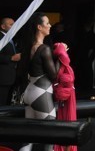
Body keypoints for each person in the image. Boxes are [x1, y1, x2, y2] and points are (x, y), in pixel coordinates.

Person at [19, 12, 57, 151]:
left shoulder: (28, 47)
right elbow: (54, 76)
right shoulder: (44, 49)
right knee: (50, 135)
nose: (50, 25)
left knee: (29, 137)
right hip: (42, 93)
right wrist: (62, 54)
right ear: (39, 27)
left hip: (30, 92)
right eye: (47, 23)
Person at [52, 42, 77, 151]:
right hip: (68, 97)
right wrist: (62, 49)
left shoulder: (59, 65)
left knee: (64, 120)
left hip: (65, 97)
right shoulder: (64, 63)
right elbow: (64, 56)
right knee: (69, 121)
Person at [0, 17, 21, 105]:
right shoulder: (1, 38)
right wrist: (11, 58)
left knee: (7, 103)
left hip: (11, 77)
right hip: (2, 78)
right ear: (3, 26)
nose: (14, 26)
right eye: (11, 25)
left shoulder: (11, 38)